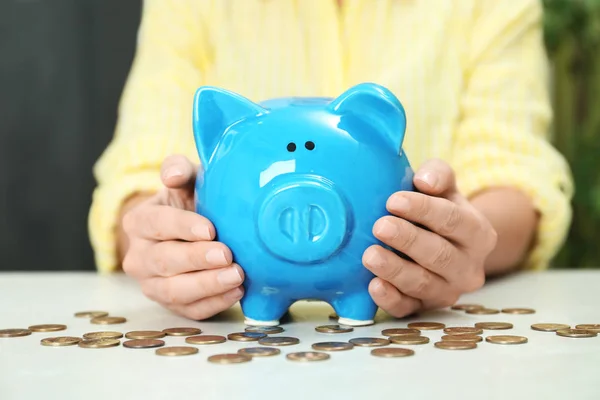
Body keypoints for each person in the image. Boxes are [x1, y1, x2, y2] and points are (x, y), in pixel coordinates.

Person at [88, 0, 573, 321]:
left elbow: (514, 171)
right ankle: (267, 301)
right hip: (242, 300)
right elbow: (137, 177)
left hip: (386, 289)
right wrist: (157, 233)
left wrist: (456, 236)